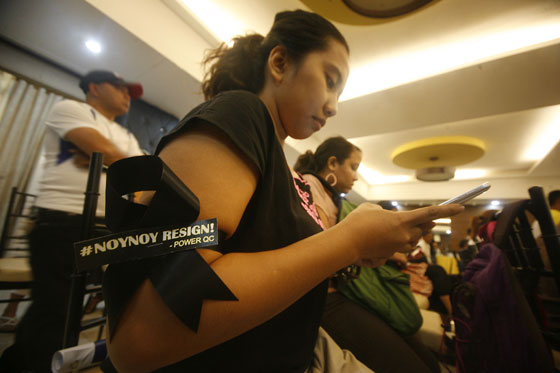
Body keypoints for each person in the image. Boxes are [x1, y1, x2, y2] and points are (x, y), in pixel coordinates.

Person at [102, 10, 463, 372]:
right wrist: (348, 241)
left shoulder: (287, 172)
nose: (333, 106)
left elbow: (272, 261)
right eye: (330, 79)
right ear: (279, 63)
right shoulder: (242, 112)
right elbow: (142, 337)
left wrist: (356, 249)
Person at [0, 70, 144, 372]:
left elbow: (139, 179)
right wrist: (108, 158)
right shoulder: (71, 109)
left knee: (56, 307)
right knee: (57, 311)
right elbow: (107, 154)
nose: (126, 95)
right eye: (119, 87)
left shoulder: (128, 136)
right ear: (93, 87)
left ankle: (14, 362)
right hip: (63, 221)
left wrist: (103, 159)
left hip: (108, 227)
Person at [294, 137, 440, 372]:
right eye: (353, 167)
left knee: (427, 360)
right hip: (326, 296)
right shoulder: (310, 186)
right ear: (332, 163)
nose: (355, 176)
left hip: (346, 290)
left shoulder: (333, 198)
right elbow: (319, 248)